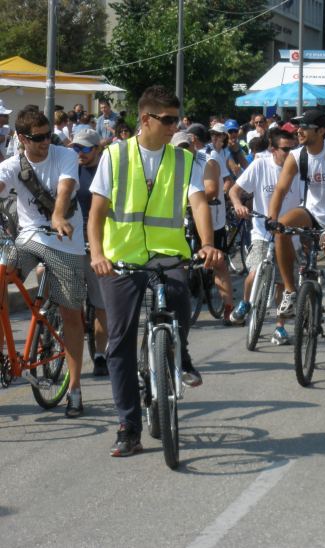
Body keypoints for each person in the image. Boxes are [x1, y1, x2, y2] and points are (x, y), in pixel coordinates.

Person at [87, 86, 223, 457]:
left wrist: (208, 243)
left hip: (167, 255)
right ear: (145, 119)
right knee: (120, 341)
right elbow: (97, 212)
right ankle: (128, 427)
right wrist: (97, 254)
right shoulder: (115, 156)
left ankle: (179, 353)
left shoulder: (183, 160)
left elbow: (198, 203)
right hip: (121, 259)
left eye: (176, 119)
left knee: (182, 297)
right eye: (167, 120)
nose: (173, 127)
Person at [0, 107, 87, 417]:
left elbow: (65, 189)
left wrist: (59, 214)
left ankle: (75, 389)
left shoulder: (64, 156)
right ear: (22, 138)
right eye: (38, 138)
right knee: (1, 274)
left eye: (49, 135)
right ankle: (3, 356)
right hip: (30, 237)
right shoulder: (12, 165)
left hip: (66, 239)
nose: (46, 142)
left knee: (71, 314)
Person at [268, 109, 325, 369]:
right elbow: (281, 188)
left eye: (304, 127)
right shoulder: (297, 156)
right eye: (298, 127)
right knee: (282, 228)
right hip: (312, 215)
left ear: (321, 131)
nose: (299, 131)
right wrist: (272, 217)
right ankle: (290, 290)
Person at [229, 128, 299, 344]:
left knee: (283, 284)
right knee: (255, 269)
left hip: (289, 236)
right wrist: (239, 204)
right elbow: (234, 190)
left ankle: (280, 327)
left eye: (293, 149)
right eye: (286, 149)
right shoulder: (261, 165)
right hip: (262, 231)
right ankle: (245, 303)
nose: (290, 154)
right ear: (273, 149)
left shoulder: (299, 168)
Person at [73, 128, 109, 376]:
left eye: (85, 148)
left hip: (99, 246)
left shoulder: (106, 173)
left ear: (97, 149)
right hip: (73, 244)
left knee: (100, 306)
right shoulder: (70, 170)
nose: (80, 153)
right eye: (76, 148)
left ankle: (100, 355)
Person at [205, 123, 235, 324]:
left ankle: (228, 306)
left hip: (215, 217)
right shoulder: (208, 154)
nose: (216, 138)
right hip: (200, 214)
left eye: (219, 135)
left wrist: (224, 193)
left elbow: (228, 179)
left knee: (219, 263)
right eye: (213, 135)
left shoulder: (219, 155)